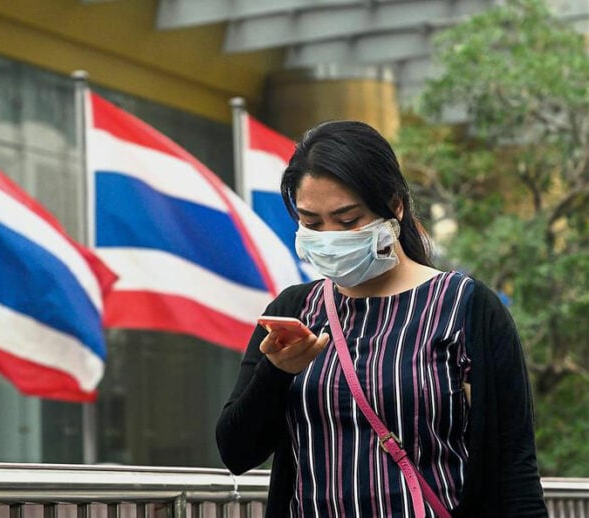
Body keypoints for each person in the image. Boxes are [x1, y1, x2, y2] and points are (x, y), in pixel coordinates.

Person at [216, 121, 546, 517]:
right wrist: (276, 372)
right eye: (312, 222)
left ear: (395, 206)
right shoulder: (294, 311)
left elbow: (515, 467)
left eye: (348, 219)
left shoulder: (465, 307)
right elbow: (236, 451)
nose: (330, 236)